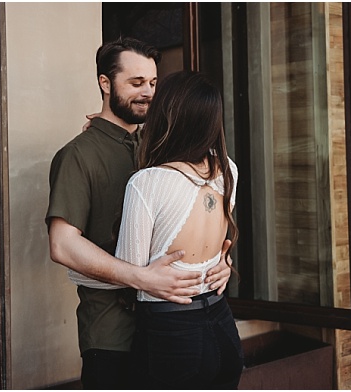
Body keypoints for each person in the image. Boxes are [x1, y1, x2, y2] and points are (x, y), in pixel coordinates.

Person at [46, 37, 232, 389]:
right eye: (135, 83)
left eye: (153, 83)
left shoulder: (162, 143)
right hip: (112, 332)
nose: (148, 92)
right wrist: (141, 277)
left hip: (175, 326)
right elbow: (62, 245)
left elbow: (201, 213)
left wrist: (217, 261)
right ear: (105, 83)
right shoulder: (78, 155)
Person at [116, 71, 243, 389]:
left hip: (171, 331)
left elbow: (129, 275)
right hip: (222, 323)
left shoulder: (147, 182)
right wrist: (224, 263)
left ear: (167, 116)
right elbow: (216, 245)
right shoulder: (228, 170)